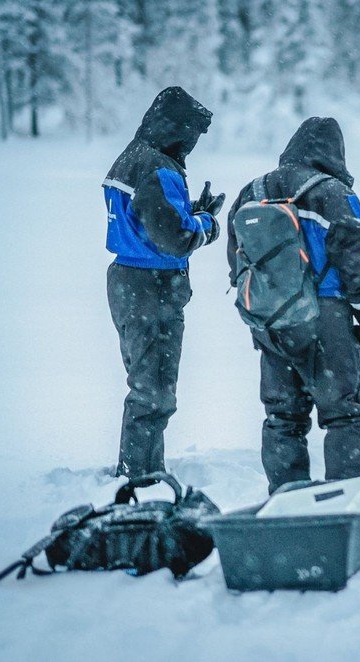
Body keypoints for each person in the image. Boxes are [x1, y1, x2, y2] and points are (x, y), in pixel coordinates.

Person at [226, 117, 360, 494]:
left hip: (269, 320)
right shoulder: (331, 192)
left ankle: (287, 501)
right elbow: (358, 257)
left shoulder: (252, 190)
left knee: (282, 417)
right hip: (325, 315)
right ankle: (347, 499)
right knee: (344, 412)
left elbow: (236, 259)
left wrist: (261, 312)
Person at [103, 86, 225, 479]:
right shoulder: (159, 167)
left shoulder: (130, 158)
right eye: (192, 133)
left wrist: (190, 211)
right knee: (154, 390)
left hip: (128, 282)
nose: (192, 142)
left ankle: (138, 467)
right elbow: (174, 240)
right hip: (151, 287)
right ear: (177, 128)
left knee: (145, 383)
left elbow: (144, 219)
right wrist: (205, 225)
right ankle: (140, 475)